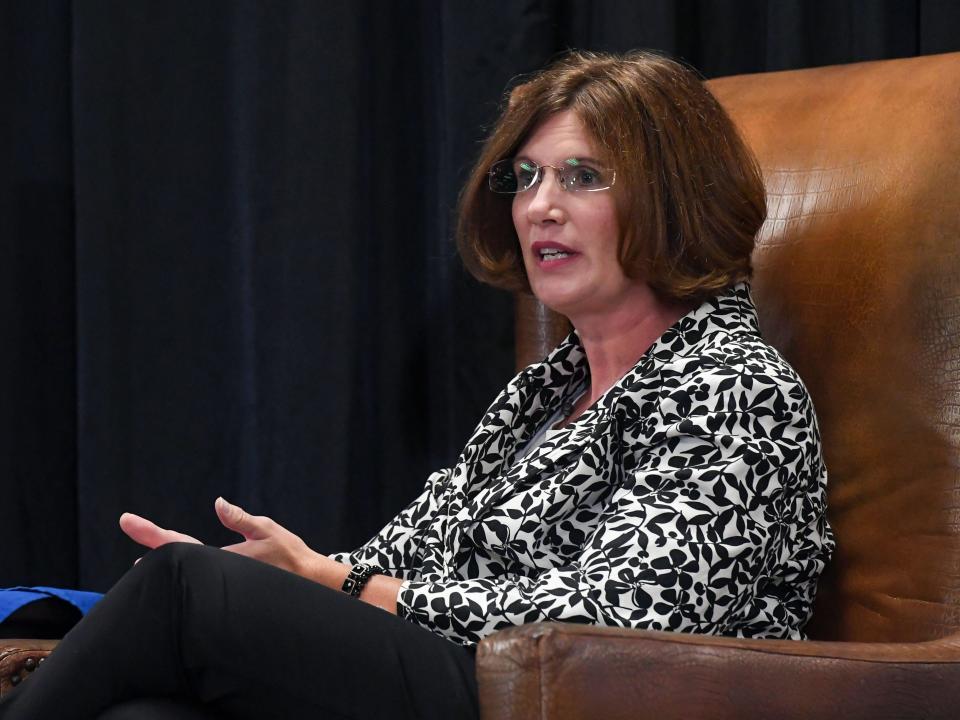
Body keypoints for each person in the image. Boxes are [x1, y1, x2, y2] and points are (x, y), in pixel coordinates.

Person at [0, 49, 834, 719]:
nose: (540, 205)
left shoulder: (735, 388)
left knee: (188, 587)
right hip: (461, 676)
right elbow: (399, 559)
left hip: (560, 697)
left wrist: (326, 585)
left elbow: (618, 619)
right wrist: (290, 574)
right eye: (527, 177)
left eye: (583, 176)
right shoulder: (540, 396)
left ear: (678, 200)